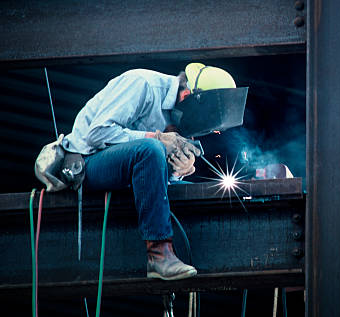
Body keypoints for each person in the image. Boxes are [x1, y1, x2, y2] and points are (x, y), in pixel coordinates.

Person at [61, 63, 237, 281]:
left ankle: (204, 259)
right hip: (87, 163)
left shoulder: (178, 117)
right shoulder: (144, 84)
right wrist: (156, 139)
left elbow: (153, 175)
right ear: (186, 96)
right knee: (150, 149)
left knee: (197, 193)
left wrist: (177, 171)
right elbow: (96, 134)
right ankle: (159, 255)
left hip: (132, 178)